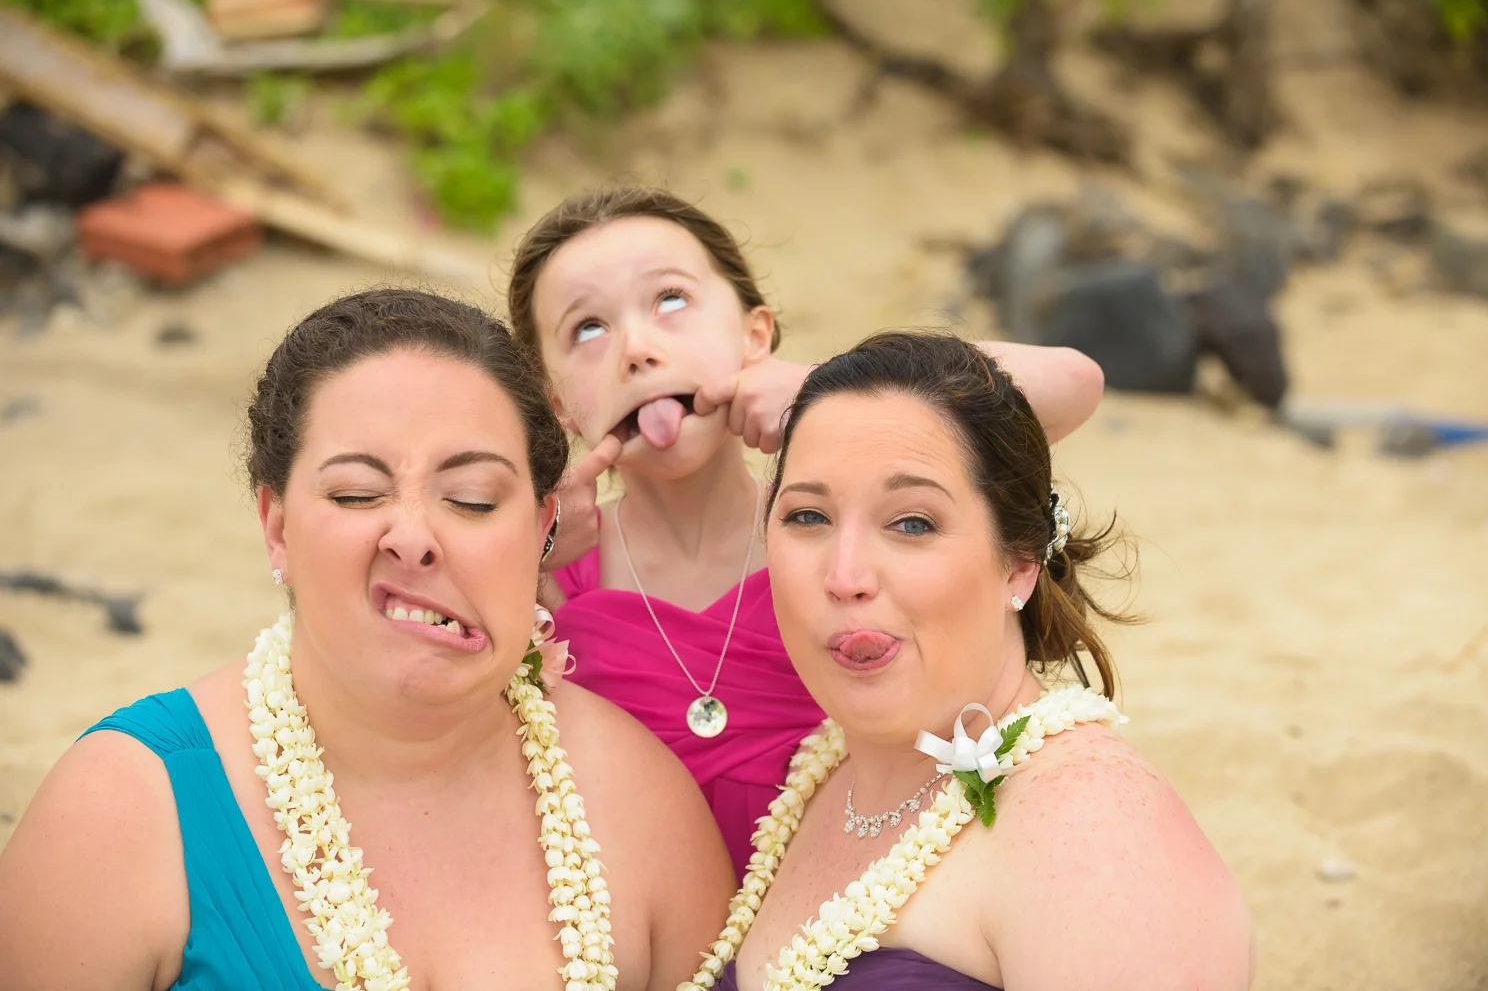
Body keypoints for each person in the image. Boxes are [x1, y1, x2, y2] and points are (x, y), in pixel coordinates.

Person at [0, 289, 733, 991]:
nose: (412, 537)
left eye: (471, 499)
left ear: (543, 527)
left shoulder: (638, 801)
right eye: (357, 494)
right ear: (278, 527)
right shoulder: (123, 810)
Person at [505, 186, 1106, 877]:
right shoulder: (546, 573)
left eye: (670, 299)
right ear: (558, 402)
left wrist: (826, 389)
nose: (637, 349)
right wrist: (535, 545)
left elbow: (1074, 382)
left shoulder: (846, 551)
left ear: (754, 335)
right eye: (588, 328)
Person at [685, 331, 1253, 991]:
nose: (845, 575)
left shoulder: (1092, 828)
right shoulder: (817, 775)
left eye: (913, 523)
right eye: (808, 515)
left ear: (1018, 563)